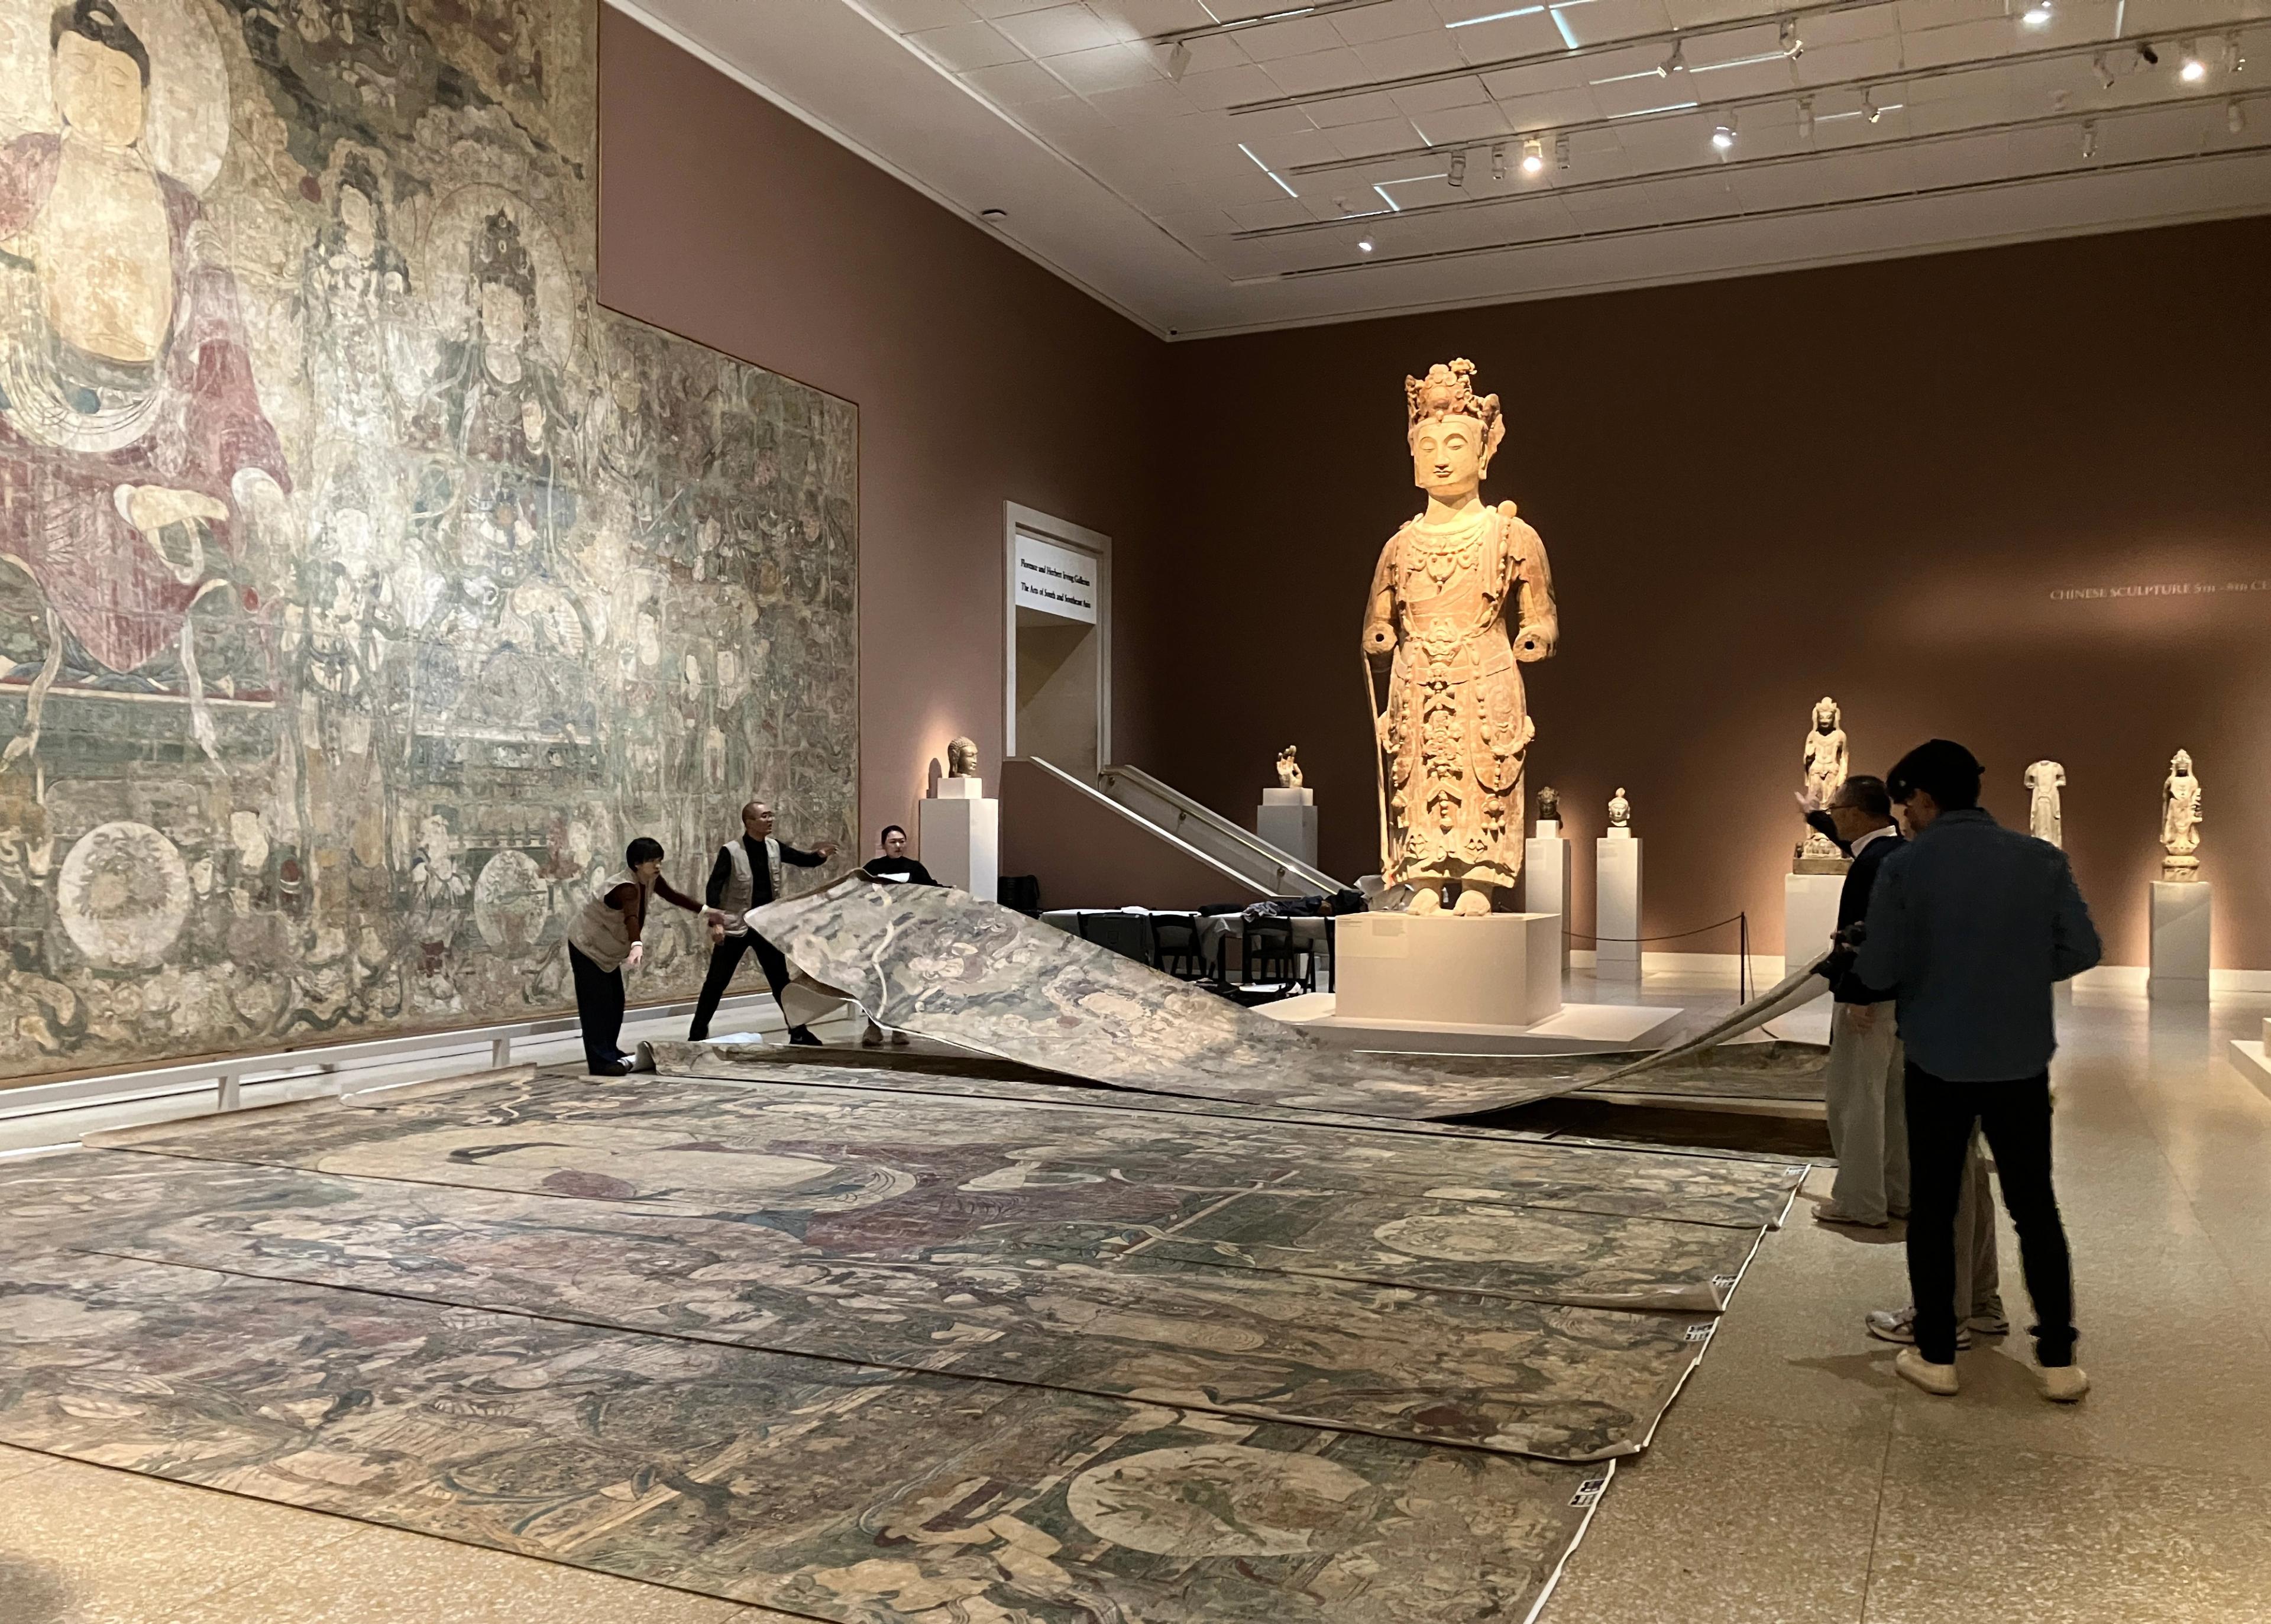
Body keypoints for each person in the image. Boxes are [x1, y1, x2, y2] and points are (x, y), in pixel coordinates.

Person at [1855, 739, 2100, 1403]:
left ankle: (1937, 1354)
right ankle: (2058, 1360)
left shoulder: (1906, 869)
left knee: (1933, 1209)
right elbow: (2084, 946)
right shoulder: (2040, 859)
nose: (1902, 816)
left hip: (1937, 1058)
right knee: (2035, 1209)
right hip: (2019, 1061)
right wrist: (2014, 975)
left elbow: (1877, 971)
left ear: (1926, 799)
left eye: (1906, 804)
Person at [1797, 775, 1910, 1228]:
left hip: (1870, 1001)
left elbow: (1877, 935)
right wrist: (1814, 816)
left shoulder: (1874, 865)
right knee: (1892, 1100)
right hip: (1900, 1001)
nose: (1835, 819)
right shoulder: (1893, 851)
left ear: (1860, 814)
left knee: (1855, 1100)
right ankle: (1899, 1192)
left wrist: (1861, 995)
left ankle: (1860, 1201)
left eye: (1838, 811)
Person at [689, 801, 838, 1045]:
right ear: (749, 822)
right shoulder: (731, 851)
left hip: (764, 926)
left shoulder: (774, 847)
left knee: (780, 982)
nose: (770, 820)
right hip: (736, 926)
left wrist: (820, 856)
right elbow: (714, 887)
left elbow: (802, 860)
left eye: (771, 816)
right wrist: (715, 923)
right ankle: (696, 1034)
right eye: (765, 816)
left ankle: (798, 1032)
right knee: (716, 982)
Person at [565, 837, 714, 1076]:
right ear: (637, 864)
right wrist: (637, 944)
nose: (657, 866)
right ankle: (600, 1061)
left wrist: (707, 912)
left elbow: (673, 896)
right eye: (652, 861)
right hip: (587, 945)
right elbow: (631, 917)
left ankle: (610, 1051)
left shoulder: (650, 880)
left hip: (606, 949)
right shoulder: (627, 888)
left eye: (659, 861)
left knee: (615, 1002)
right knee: (595, 1004)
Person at [863, 825, 937, 887]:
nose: (898, 846)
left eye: (902, 841)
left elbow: (930, 887)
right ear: (883, 845)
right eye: (893, 842)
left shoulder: (915, 867)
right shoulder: (873, 866)